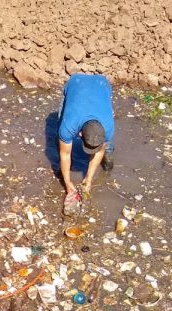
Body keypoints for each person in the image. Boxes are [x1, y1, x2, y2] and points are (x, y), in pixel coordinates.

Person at [57, 73, 115, 216]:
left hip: (102, 84)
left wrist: (88, 180)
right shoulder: (69, 125)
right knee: (60, 130)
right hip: (76, 83)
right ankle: (63, 169)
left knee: (107, 148)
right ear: (80, 134)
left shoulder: (108, 128)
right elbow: (65, 154)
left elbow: (99, 151)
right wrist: (67, 182)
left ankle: (109, 159)